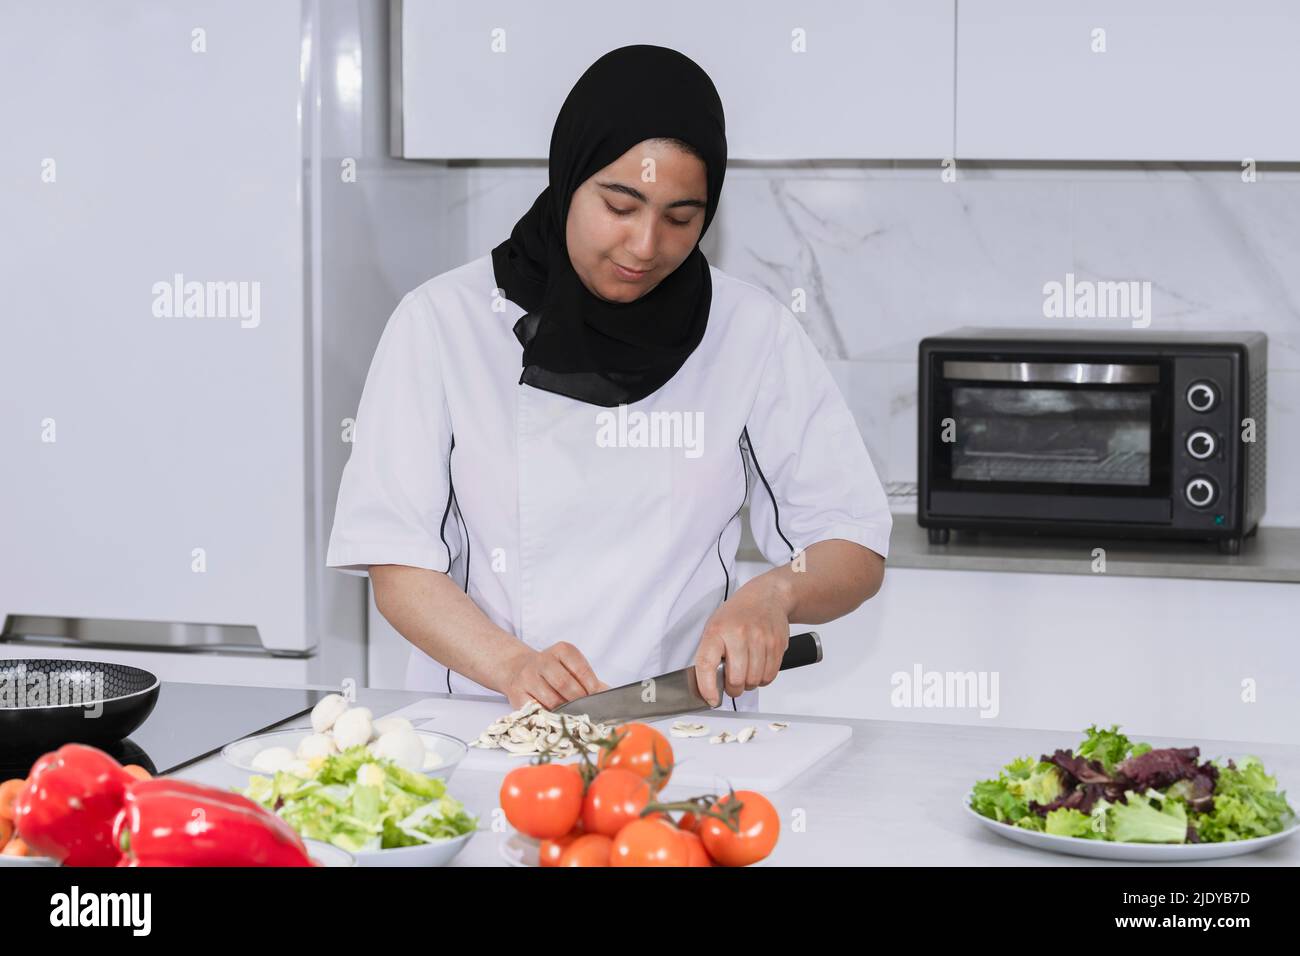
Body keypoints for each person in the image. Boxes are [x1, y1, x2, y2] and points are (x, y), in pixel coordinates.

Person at [326, 45, 891, 712]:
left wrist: (774, 593)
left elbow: (851, 541)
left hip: (686, 731)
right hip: (490, 728)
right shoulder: (442, 323)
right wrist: (513, 667)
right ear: (569, 177)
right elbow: (396, 563)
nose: (646, 245)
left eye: (680, 218)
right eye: (620, 205)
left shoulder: (751, 331)